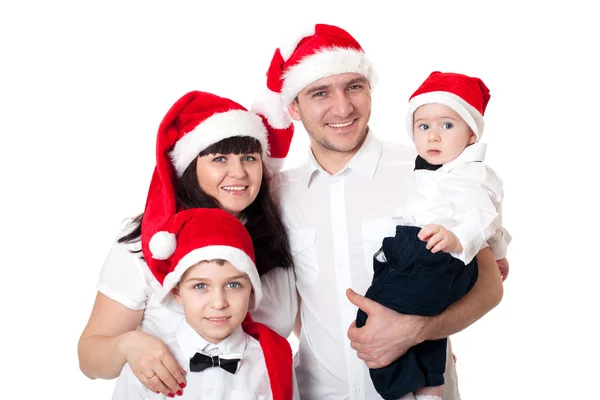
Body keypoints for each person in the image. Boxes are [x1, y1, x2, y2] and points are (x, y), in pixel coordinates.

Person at [250, 24, 504, 400]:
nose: (343, 107)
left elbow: (489, 286)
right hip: (319, 392)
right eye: (320, 92)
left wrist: (418, 331)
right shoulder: (276, 195)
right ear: (294, 108)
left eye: (354, 86)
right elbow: (296, 305)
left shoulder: (426, 171)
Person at [78, 90, 299, 398]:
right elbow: (90, 360)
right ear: (190, 167)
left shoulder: (278, 235)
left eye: (249, 158)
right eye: (219, 159)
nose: (239, 172)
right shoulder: (149, 244)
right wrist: (128, 345)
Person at [355, 71, 510, 400]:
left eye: (447, 126)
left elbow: (483, 215)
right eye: (424, 127)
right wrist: (498, 252)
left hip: (434, 254)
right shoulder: (429, 167)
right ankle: (429, 389)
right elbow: (494, 217)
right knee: (416, 324)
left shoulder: (469, 172)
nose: (434, 137)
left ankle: (407, 388)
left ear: (471, 134)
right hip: (414, 249)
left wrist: (458, 240)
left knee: (375, 319)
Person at [112, 207, 294, 399]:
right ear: (177, 292)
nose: (218, 303)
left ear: (251, 291)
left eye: (233, 284)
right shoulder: (147, 366)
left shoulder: (272, 365)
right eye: (200, 286)